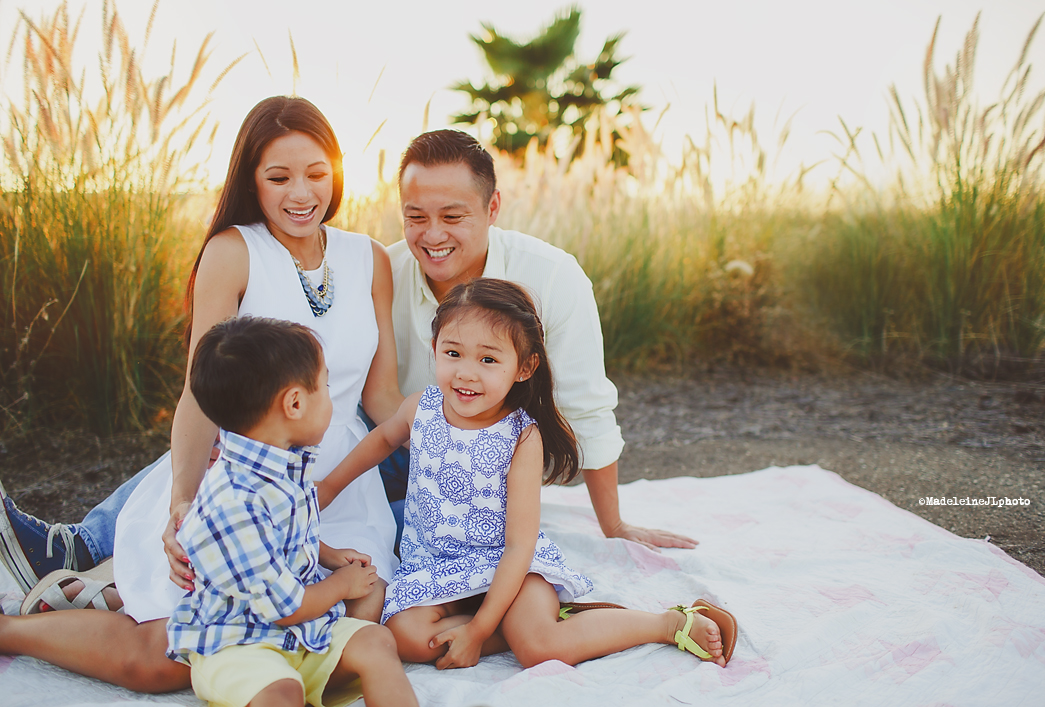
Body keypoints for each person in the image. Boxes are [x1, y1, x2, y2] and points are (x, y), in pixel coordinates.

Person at [0, 95, 403, 692]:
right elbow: (197, 395)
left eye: (317, 174)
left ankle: (96, 586)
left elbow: (385, 399)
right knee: (168, 660)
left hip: (341, 486)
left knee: (351, 625)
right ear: (252, 180)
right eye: (279, 177)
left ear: (337, 174)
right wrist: (181, 506)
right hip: (236, 482)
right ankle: (12, 629)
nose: (301, 193)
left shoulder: (369, 258)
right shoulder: (233, 251)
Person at [319, 279, 735, 670]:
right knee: (405, 637)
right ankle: (541, 622)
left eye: (487, 359)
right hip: (437, 564)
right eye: (452, 353)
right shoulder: (420, 408)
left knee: (537, 649)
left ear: (523, 367)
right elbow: (379, 442)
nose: (465, 372)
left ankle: (667, 623)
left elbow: (519, 546)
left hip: (511, 566)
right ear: (434, 348)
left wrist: (478, 631)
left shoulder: (521, 437)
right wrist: (329, 487)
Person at [383, 129, 698, 550]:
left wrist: (615, 525)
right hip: (398, 450)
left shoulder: (552, 276)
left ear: (492, 207)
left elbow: (585, 405)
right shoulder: (382, 273)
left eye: (453, 217)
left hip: (498, 473)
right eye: (416, 217)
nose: (433, 236)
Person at [167, 316, 415, 707]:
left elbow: (284, 533)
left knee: (376, 640)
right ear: (295, 403)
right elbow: (285, 607)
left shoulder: (282, 463)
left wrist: (328, 555)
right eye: (326, 388)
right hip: (239, 645)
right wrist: (341, 584)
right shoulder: (234, 500)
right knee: (281, 693)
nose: (331, 399)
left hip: (301, 634)